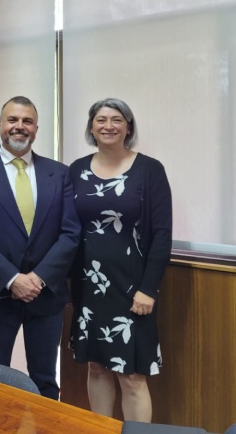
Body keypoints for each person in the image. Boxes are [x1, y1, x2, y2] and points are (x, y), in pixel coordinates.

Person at [0, 96, 81, 400]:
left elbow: (70, 234)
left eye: (27, 121)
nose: (19, 127)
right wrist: (13, 280)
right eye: (13, 120)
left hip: (46, 295)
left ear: (36, 129)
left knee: (46, 382)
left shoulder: (60, 173)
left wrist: (37, 279)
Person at [68, 98, 172, 422]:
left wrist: (149, 289)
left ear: (128, 126)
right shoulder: (77, 170)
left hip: (133, 291)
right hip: (88, 286)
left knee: (131, 375)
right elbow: (67, 228)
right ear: (91, 127)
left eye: (116, 119)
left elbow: (162, 235)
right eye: (100, 120)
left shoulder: (149, 170)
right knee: (96, 366)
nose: (108, 126)